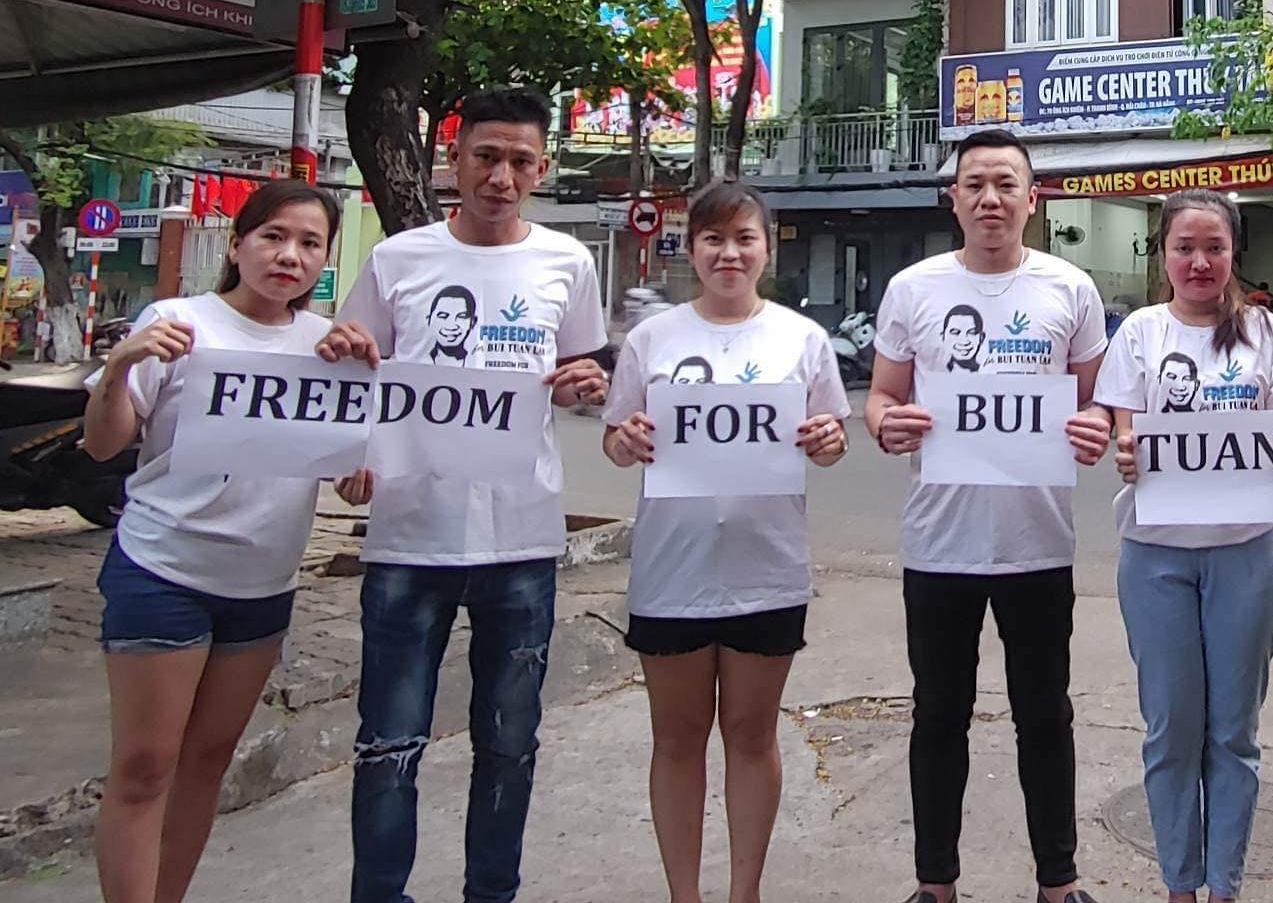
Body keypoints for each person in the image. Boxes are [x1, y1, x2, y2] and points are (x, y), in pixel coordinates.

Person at [318, 86, 609, 903]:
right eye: (486, 157)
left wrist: (584, 386)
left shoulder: (568, 263)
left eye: (520, 161)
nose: (501, 177)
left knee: (510, 745)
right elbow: (356, 375)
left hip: (522, 543)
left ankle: (492, 893)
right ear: (455, 158)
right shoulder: (398, 260)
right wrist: (352, 454)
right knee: (389, 745)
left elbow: (579, 375)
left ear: (541, 169)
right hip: (410, 541)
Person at [866, 127, 1112, 903]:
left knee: (1045, 716)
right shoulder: (914, 289)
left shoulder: (1069, 289)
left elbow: (1099, 401)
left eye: (1006, 184)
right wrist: (885, 423)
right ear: (954, 199)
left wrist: (1097, 425)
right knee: (939, 715)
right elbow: (882, 395)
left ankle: (1058, 883)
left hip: (1038, 544)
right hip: (939, 544)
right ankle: (935, 883)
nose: (990, 199)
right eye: (975, 184)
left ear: (1033, 198)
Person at [80, 178, 342, 903]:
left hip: (262, 587)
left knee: (205, 766)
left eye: (310, 243)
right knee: (144, 768)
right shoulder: (176, 323)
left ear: (324, 260)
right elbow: (102, 446)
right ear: (237, 244)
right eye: (273, 236)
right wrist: (120, 366)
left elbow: (349, 464)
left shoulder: (328, 346)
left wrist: (361, 470)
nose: (289, 256)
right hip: (163, 572)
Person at [602, 181, 850, 903]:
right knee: (677, 740)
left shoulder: (801, 339)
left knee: (751, 735)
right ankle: (684, 894)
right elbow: (617, 441)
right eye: (713, 238)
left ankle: (746, 892)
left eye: (745, 238)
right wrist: (626, 440)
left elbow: (831, 440)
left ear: (768, 249)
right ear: (692, 248)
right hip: (670, 574)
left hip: (767, 571)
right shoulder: (652, 340)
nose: (730, 253)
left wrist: (829, 441)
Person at [1097, 189, 1273, 903]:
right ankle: (1180, 883)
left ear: (1234, 252)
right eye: (1185, 247)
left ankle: (1224, 886)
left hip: (1245, 555)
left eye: (1215, 247)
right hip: (1155, 558)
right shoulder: (1141, 334)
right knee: (1171, 729)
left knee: (1234, 732)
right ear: (1164, 255)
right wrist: (1126, 449)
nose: (1200, 262)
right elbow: (1124, 428)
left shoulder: (1266, 335)